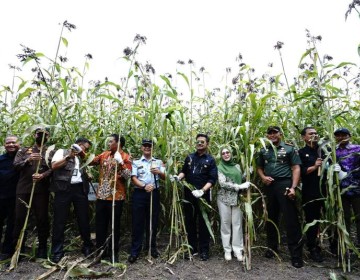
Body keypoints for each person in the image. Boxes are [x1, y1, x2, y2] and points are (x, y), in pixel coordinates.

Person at [256, 126, 303, 268]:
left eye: (275, 132)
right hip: (270, 186)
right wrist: (263, 177)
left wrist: (293, 188)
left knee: (291, 219)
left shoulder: (289, 148)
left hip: (285, 185)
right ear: (266, 135)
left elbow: (296, 168)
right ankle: (272, 248)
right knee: (271, 217)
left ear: (280, 134)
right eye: (269, 133)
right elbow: (259, 167)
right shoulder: (263, 149)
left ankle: (296, 255)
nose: (272, 135)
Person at [173, 133, 218, 261]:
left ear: (207, 144)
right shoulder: (189, 157)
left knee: (204, 222)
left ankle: (204, 250)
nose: (199, 144)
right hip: (189, 195)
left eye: (202, 142)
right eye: (198, 142)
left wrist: (202, 191)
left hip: (203, 196)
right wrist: (178, 177)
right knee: (190, 221)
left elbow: (212, 179)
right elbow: (184, 171)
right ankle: (192, 248)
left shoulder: (210, 160)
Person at [50, 137, 93, 263]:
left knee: (84, 218)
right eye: (85, 147)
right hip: (64, 189)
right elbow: (54, 166)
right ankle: (57, 251)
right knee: (59, 220)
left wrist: (87, 175)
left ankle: (87, 246)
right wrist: (68, 156)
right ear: (79, 144)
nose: (85, 150)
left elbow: (81, 171)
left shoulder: (82, 158)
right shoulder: (61, 152)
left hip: (79, 189)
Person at [12, 127, 53, 259]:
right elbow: (16, 165)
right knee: (19, 219)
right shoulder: (24, 150)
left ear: (48, 137)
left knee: (42, 219)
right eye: (39, 134)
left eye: (45, 135)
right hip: (23, 189)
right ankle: (18, 248)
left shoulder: (50, 152)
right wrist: (28, 160)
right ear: (34, 135)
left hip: (41, 191)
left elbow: (54, 169)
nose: (41, 136)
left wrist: (43, 175)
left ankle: (42, 248)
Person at [90, 134, 132, 262]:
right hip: (102, 196)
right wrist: (81, 152)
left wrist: (121, 163)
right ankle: (100, 251)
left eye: (111, 142)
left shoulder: (126, 157)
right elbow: (90, 161)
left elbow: (127, 176)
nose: (108, 144)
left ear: (118, 143)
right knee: (100, 225)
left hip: (116, 196)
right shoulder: (104, 154)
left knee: (114, 225)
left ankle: (114, 252)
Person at [128, 139, 165, 263]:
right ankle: (135, 251)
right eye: (145, 146)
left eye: (150, 146)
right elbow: (133, 178)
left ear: (152, 148)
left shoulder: (158, 162)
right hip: (140, 193)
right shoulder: (136, 162)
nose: (147, 148)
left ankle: (151, 248)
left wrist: (159, 172)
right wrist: (144, 186)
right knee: (137, 222)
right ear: (141, 148)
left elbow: (165, 177)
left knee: (153, 221)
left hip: (154, 194)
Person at [298, 127, 326, 262]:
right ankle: (312, 248)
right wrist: (315, 167)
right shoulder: (301, 153)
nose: (314, 135)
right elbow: (301, 172)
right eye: (311, 134)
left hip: (327, 191)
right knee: (312, 220)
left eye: (316, 133)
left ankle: (334, 245)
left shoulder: (325, 150)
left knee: (332, 217)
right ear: (304, 137)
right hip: (310, 192)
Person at [217, 147, 250, 261]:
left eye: (227, 152)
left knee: (237, 225)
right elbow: (222, 183)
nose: (226, 154)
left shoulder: (236, 166)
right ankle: (227, 250)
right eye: (223, 153)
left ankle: (237, 250)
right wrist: (238, 187)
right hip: (224, 199)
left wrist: (247, 173)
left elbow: (240, 179)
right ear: (221, 156)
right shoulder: (219, 167)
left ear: (231, 154)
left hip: (237, 199)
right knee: (225, 224)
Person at [334, 128, 360, 248]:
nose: (341, 137)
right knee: (344, 219)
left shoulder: (357, 148)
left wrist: (352, 174)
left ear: (349, 136)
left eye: (343, 135)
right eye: (338, 135)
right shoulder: (333, 151)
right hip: (340, 191)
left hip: (357, 188)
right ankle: (345, 247)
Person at [0, 136, 20, 260]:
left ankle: (7, 250)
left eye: (14, 142)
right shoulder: (1, 159)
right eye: (8, 143)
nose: (11, 144)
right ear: (4, 145)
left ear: (19, 144)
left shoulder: (23, 159)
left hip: (16, 197)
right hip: (1, 197)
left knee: (12, 225)